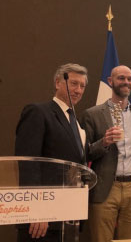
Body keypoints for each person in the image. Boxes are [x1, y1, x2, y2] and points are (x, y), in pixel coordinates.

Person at [15, 63, 88, 241]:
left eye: (82, 86)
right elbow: (28, 164)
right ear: (57, 83)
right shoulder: (39, 112)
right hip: (42, 219)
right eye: (73, 83)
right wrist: (37, 211)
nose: (78, 90)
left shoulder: (76, 122)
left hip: (68, 215)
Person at [81, 65, 131, 242]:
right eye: (121, 78)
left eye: (129, 79)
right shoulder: (92, 114)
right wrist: (104, 142)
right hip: (106, 186)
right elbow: (84, 154)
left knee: (130, 240)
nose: (126, 82)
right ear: (111, 81)